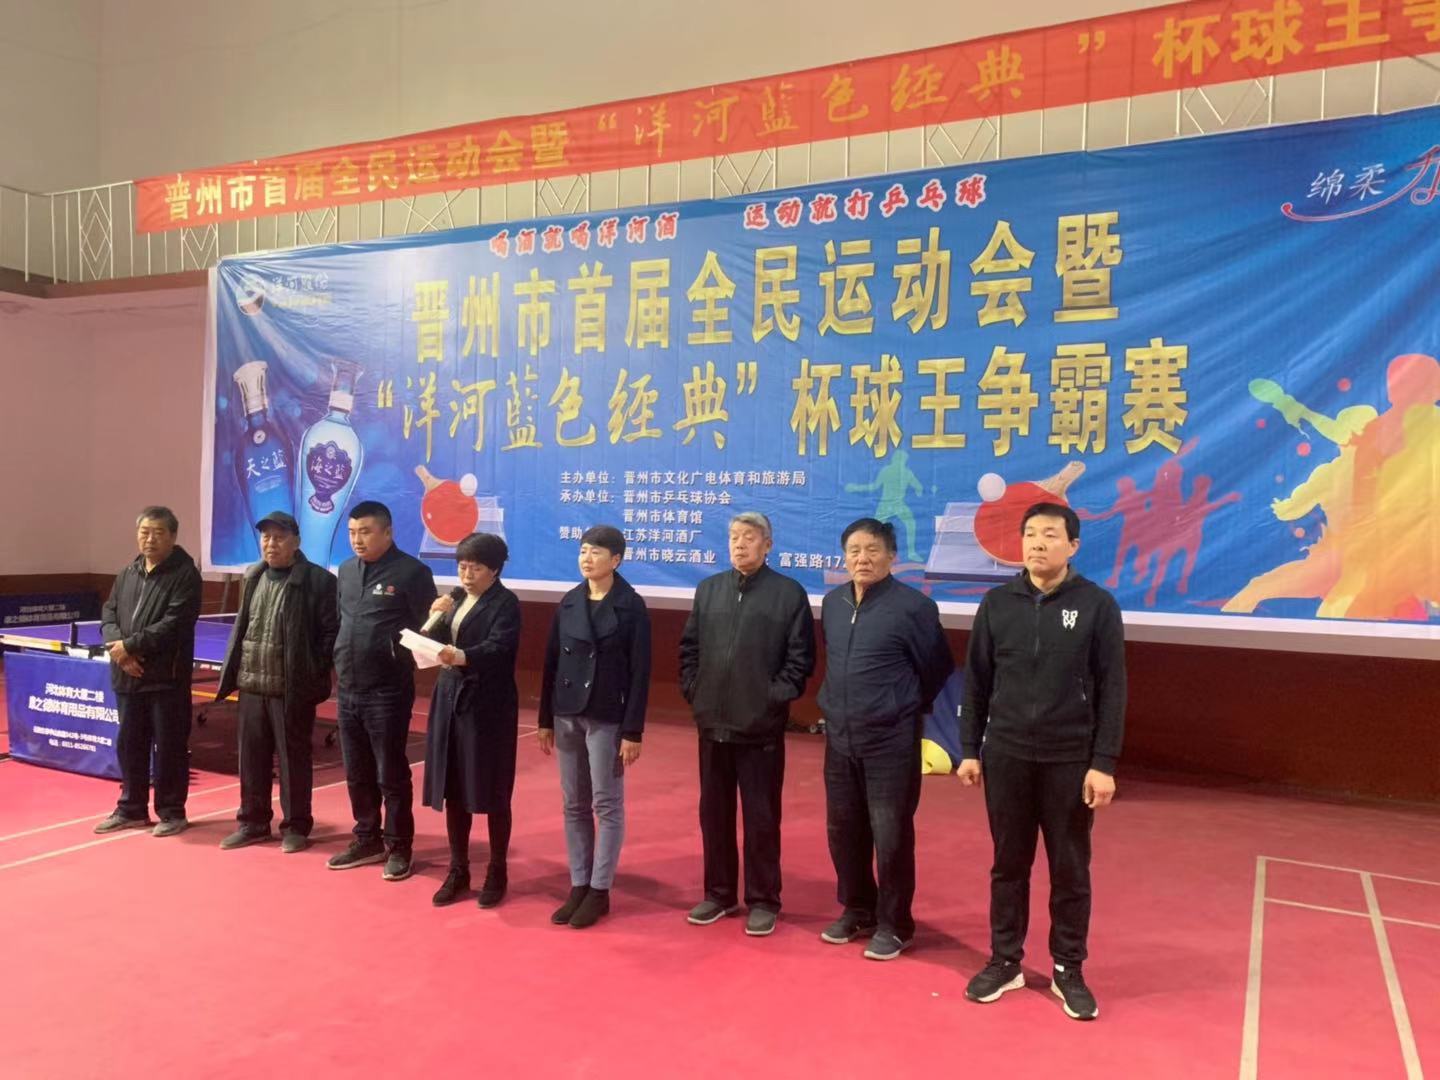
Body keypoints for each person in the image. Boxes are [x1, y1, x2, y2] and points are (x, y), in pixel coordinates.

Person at [959, 501, 1126, 1022]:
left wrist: (1103, 762)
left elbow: (1113, 690)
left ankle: (1067, 968)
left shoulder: (1097, 605)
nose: (1037, 542)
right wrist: (968, 749)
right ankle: (1005, 960)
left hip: (1069, 760)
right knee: (1008, 865)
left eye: (1050, 534)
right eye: (1030, 533)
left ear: (1072, 545)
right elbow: (976, 681)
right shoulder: (997, 604)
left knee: (1070, 869)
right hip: (1006, 754)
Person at [816, 518, 953, 960]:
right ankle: (858, 909)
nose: (863, 558)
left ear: (891, 556)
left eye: (872, 549)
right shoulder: (833, 603)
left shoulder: (914, 608)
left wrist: (900, 705)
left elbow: (935, 668)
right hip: (840, 737)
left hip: (891, 741)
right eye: (854, 550)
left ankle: (895, 924)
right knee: (843, 830)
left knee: (890, 834)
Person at [679, 511, 815, 937]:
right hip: (712, 724)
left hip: (760, 728)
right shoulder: (709, 589)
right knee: (714, 815)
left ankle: (763, 899)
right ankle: (719, 893)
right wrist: (695, 692)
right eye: (734, 537)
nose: (740, 544)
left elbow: (800, 661)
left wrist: (771, 700)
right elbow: (689, 649)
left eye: (750, 537)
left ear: (768, 545)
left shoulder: (788, 594)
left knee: (761, 818)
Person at [536, 524, 651, 929]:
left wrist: (633, 731)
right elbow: (551, 663)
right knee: (573, 803)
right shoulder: (569, 601)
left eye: (596, 552)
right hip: (566, 712)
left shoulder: (631, 606)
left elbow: (640, 673)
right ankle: (579, 883)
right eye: (583, 550)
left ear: (616, 560)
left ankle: (600, 890)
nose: (587, 558)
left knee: (606, 803)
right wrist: (545, 720)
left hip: (607, 715)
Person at [214, 511, 339, 854]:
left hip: (291, 690)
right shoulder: (253, 576)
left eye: (280, 537)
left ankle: (296, 826)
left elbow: (331, 634)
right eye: (266, 537)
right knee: (251, 761)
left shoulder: (318, 581)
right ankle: (252, 823)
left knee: (293, 762)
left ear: (296, 542)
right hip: (252, 685)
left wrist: (311, 670)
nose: (271, 544)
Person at [328, 500, 436, 882]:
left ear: (387, 532)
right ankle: (367, 838)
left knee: (390, 772)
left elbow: (429, 629)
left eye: (366, 532)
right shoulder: (346, 571)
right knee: (356, 771)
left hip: (387, 690)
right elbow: (342, 621)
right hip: (348, 688)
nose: (357, 539)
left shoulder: (412, 573)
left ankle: (399, 845)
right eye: (352, 532)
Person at [422, 533, 522, 908]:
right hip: (450, 697)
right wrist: (435, 615)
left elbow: (499, 648)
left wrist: (461, 655)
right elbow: (434, 640)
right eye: (462, 566)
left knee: (492, 789)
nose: (466, 575)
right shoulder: (456, 597)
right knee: (455, 788)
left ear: (494, 570)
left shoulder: (506, 604)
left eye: (475, 568)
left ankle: (497, 870)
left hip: (487, 705)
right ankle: (458, 869)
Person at [94, 507, 203, 837]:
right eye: (144, 532)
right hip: (128, 676)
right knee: (130, 746)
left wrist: (129, 646)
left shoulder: (186, 575)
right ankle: (131, 808)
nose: (150, 539)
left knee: (169, 748)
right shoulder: (128, 572)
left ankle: (172, 812)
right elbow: (109, 614)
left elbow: (174, 624)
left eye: (158, 532)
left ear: (173, 536)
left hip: (166, 679)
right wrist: (120, 651)